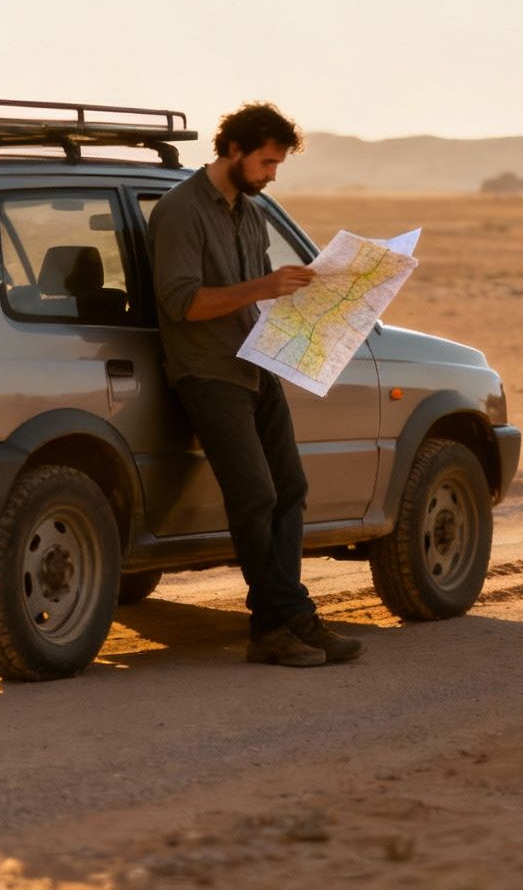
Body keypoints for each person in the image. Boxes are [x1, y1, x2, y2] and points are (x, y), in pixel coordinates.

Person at [148, 102, 365, 668]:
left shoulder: (250, 212)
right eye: (267, 162)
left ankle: (281, 621)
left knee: (290, 489)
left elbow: (262, 292)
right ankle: (285, 622)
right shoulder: (179, 211)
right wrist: (265, 286)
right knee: (256, 496)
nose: (272, 174)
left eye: (278, 164)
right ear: (235, 150)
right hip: (208, 371)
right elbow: (182, 302)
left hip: (256, 363)